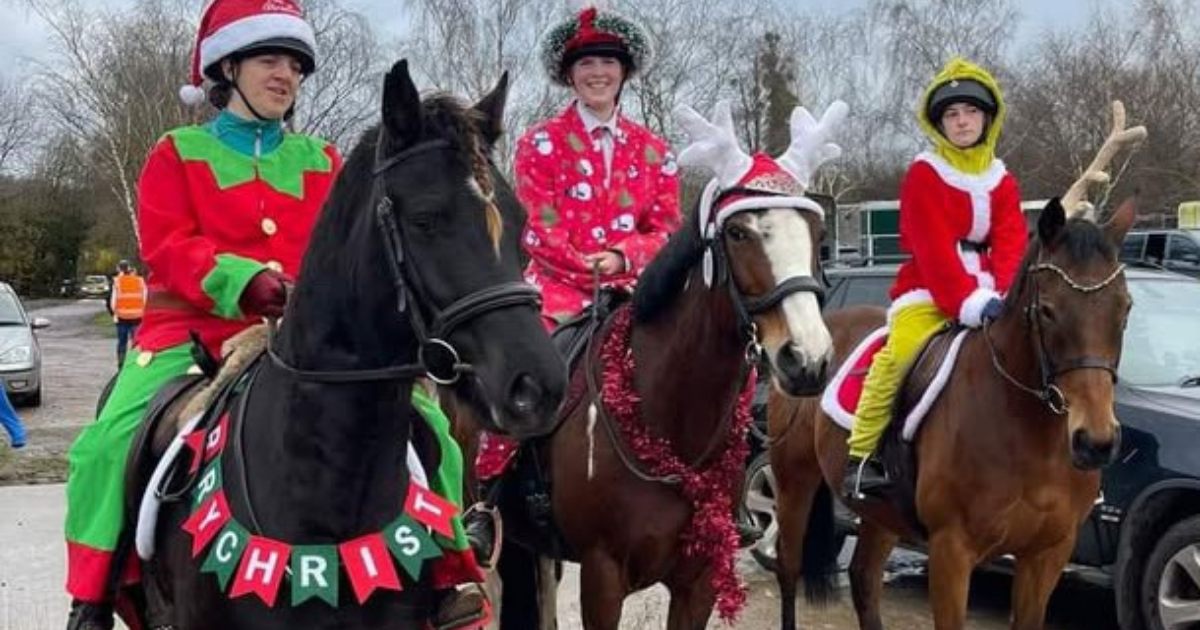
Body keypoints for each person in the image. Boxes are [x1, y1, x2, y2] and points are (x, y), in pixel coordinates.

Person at [463, 3, 681, 566]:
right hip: (560, 289)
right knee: (521, 378)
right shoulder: (539, 143)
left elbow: (667, 229)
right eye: (586, 65)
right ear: (569, 76)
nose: (598, 73)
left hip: (638, 291)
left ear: (624, 72)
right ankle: (487, 501)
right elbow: (537, 226)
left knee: (697, 361)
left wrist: (623, 258)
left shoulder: (656, 150)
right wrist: (591, 266)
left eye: (607, 63)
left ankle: (711, 494)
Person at [843, 58, 1028, 499]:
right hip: (928, 290)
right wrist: (969, 303)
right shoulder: (924, 174)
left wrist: (1004, 294)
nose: (962, 122)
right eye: (951, 114)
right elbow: (931, 248)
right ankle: (862, 454)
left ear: (987, 118)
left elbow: (1011, 242)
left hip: (994, 292)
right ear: (939, 123)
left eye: (969, 112)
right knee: (898, 355)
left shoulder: (1002, 180)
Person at [106, 260, 146, 369]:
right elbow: (145, 298)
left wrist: (115, 313)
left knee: (122, 342)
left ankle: (121, 363)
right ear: (129, 268)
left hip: (121, 317)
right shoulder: (140, 281)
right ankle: (135, 364)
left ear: (119, 268)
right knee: (136, 342)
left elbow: (113, 301)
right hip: (137, 317)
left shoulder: (117, 281)